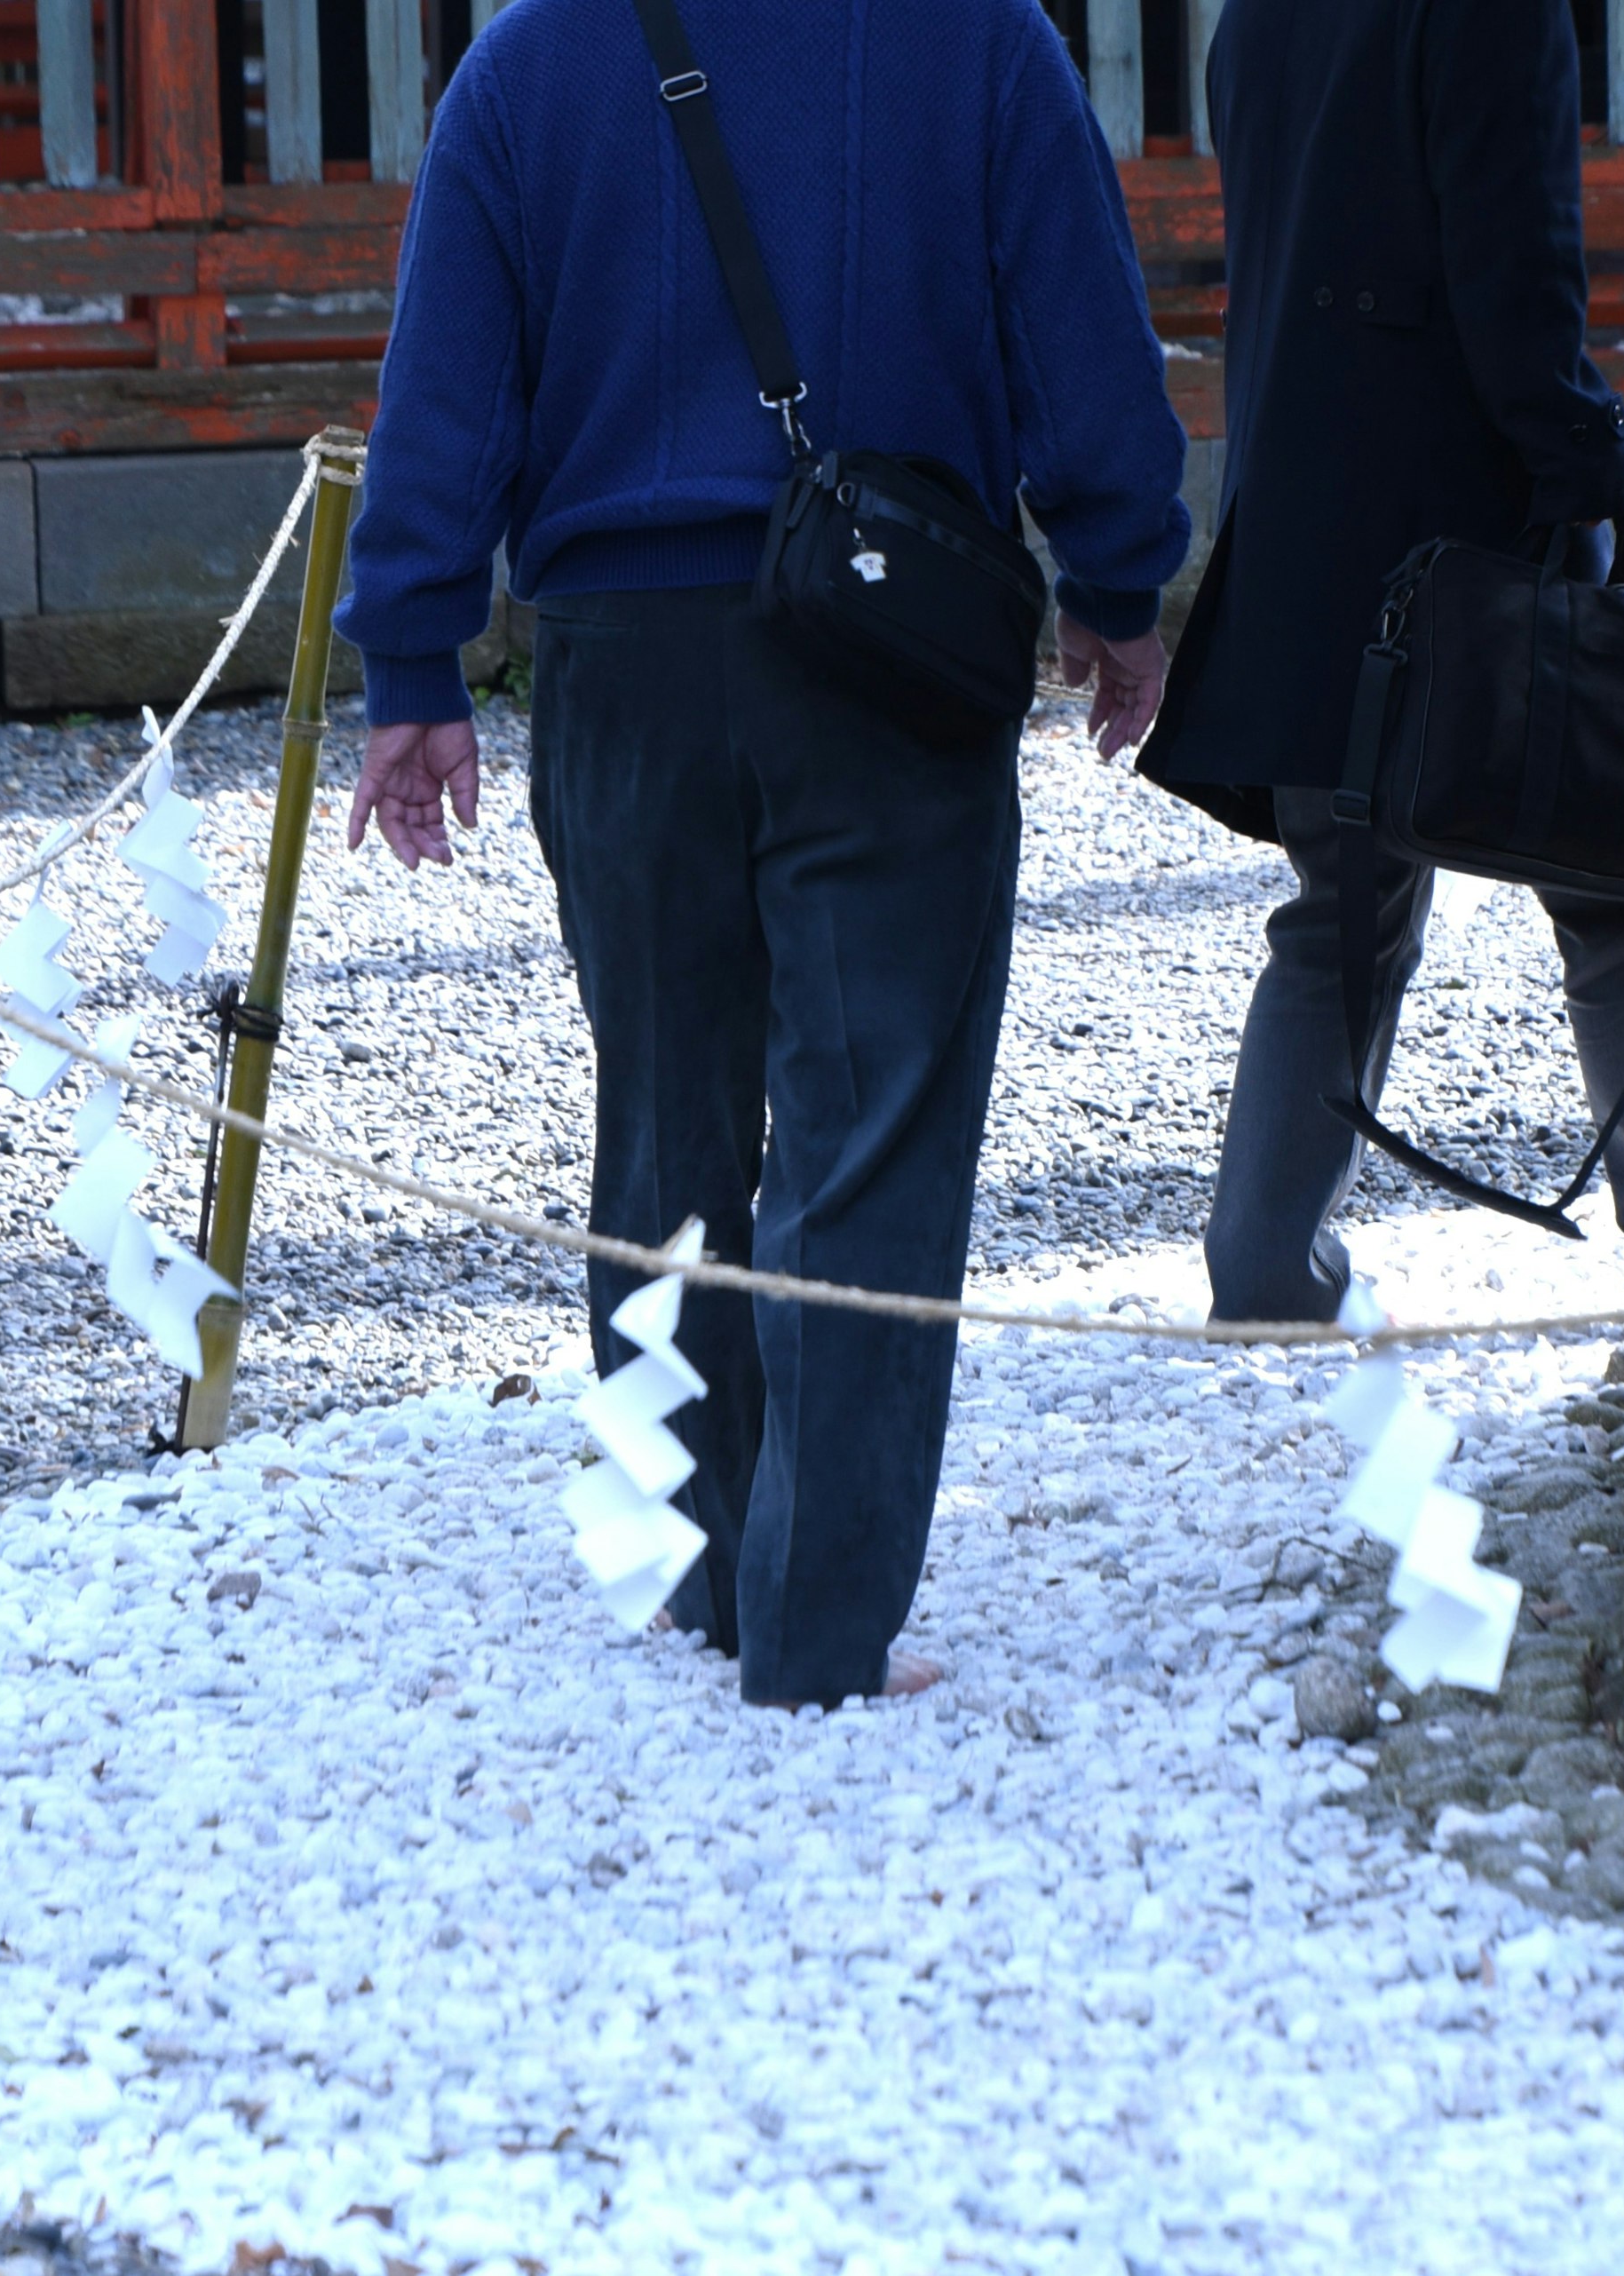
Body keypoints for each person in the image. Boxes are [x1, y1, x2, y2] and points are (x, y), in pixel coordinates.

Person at [334, 0, 1192, 1708]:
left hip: (618, 659)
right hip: (886, 648)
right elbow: (1085, 344)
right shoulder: (978, 40)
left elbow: (446, 375)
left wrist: (414, 661)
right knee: (873, 1131)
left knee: (664, 1117)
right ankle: (817, 1623)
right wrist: (1118, 582)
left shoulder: (528, 55)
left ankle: (700, 1567)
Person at [1138, 0, 1624, 1317]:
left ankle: (1265, 1271)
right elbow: (1517, 281)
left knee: (1339, 916)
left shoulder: (1257, 20)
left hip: (1306, 533)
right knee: (1623, 903)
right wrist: (1597, 470)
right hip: (1474, 541)